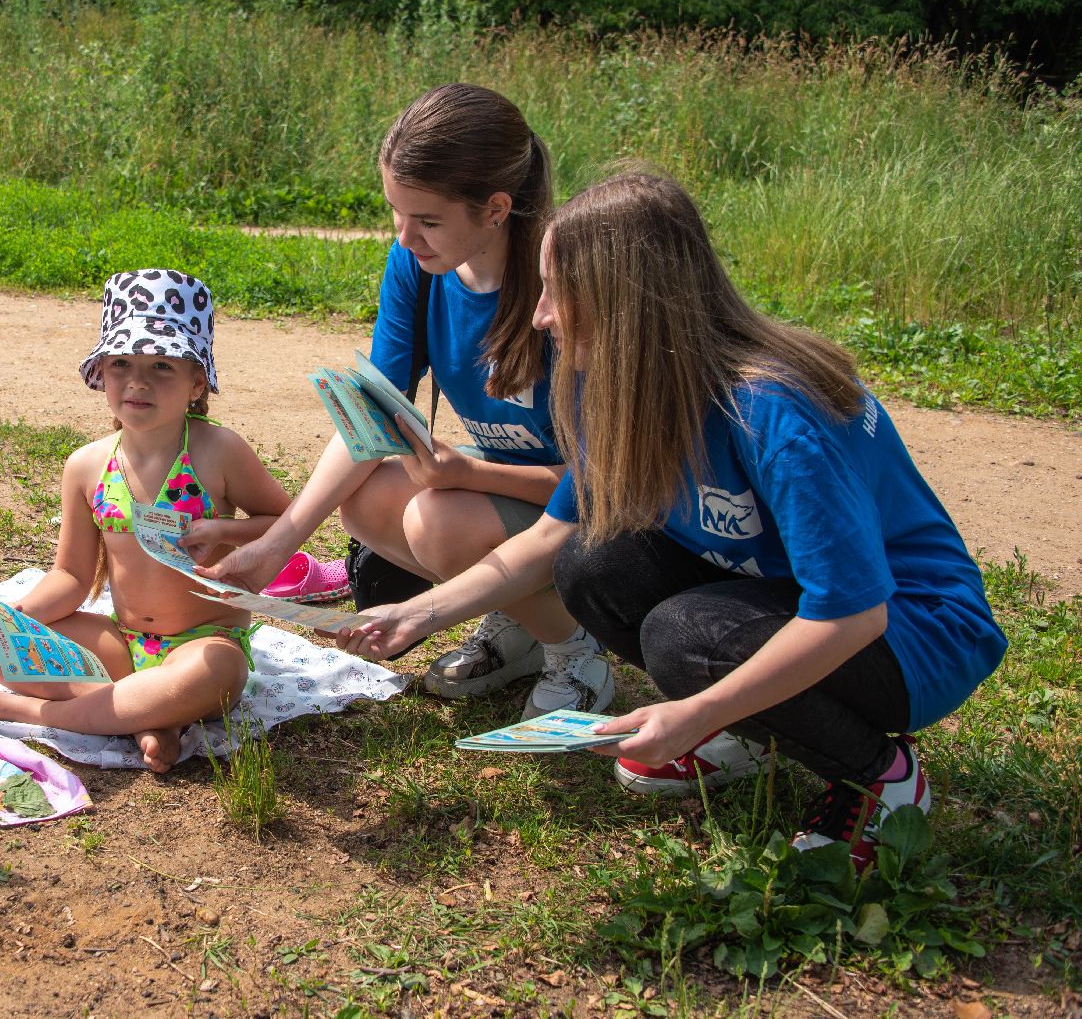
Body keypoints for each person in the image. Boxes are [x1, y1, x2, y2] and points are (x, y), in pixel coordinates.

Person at [337, 170, 1007, 865]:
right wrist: (422, 614)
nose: (539, 317)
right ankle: (758, 727)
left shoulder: (775, 412)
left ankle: (881, 777)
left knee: (686, 637)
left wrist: (697, 712)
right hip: (794, 598)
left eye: (557, 295)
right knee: (593, 565)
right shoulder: (621, 385)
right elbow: (551, 537)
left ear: (626, 304)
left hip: (914, 633)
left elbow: (852, 614)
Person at [200, 83, 611, 718]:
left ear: (496, 208)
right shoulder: (418, 263)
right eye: (395, 210)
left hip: (596, 516)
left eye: (427, 219)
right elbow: (371, 419)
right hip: (511, 490)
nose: (406, 235)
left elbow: (597, 484)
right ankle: (519, 627)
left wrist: (467, 472)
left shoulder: (563, 287)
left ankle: (577, 651)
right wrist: (276, 545)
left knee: (437, 520)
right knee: (364, 498)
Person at [0, 270, 291, 773]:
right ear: (101, 374)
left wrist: (221, 531)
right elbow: (71, 577)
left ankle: (35, 712)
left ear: (197, 381)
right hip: (119, 645)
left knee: (215, 674)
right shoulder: (86, 465)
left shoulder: (219, 450)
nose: (138, 381)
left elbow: (284, 521)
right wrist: (19, 615)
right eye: (122, 363)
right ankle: (151, 716)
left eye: (161, 366)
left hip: (203, 643)